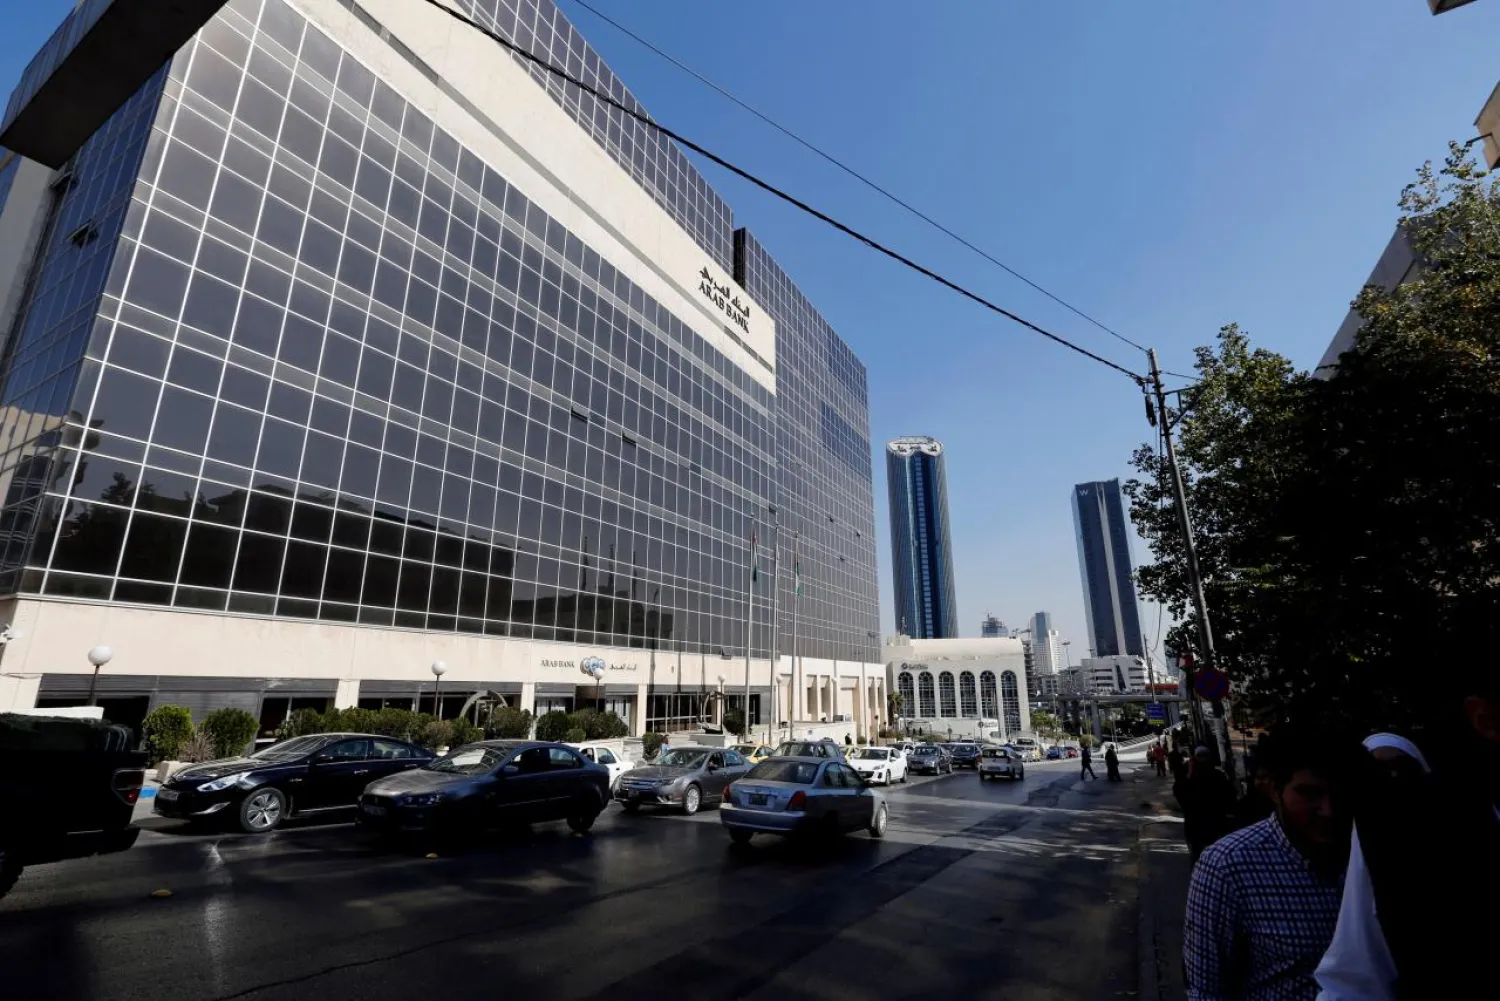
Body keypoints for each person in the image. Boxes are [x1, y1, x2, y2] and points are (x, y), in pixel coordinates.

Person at [1314, 672, 1500, 1001]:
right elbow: (1356, 981)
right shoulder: (1402, 833)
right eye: (1377, 772)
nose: (1390, 780)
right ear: (1485, 719)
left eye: (1401, 768)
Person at [1183, 727, 1356, 1001]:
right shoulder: (1227, 866)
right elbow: (1205, 990)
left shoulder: (1365, 852)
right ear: (1275, 791)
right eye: (1309, 794)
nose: (1328, 810)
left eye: (1338, 795)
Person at [1175, 746, 1235, 861]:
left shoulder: (1211, 776)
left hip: (1205, 825)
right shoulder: (1216, 776)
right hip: (1206, 825)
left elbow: (1180, 795)